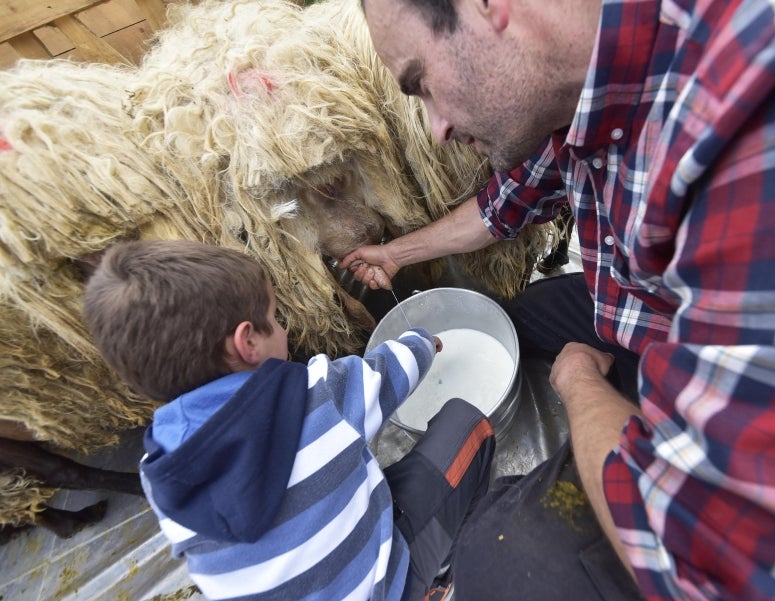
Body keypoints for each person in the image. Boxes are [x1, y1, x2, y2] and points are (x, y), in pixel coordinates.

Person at [340, 0, 775, 599]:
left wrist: (581, 386)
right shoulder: (582, 89)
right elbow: (505, 205)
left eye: (421, 83)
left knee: (497, 557)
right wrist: (397, 255)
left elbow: (701, 551)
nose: (435, 128)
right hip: (641, 302)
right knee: (517, 317)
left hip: (689, 358)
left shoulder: (765, 121)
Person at [82, 239, 495, 601]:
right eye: (275, 318)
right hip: (384, 587)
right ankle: (436, 578)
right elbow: (393, 369)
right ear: (248, 343)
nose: (282, 328)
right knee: (468, 425)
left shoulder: (160, 473)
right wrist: (424, 340)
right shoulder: (314, 395)